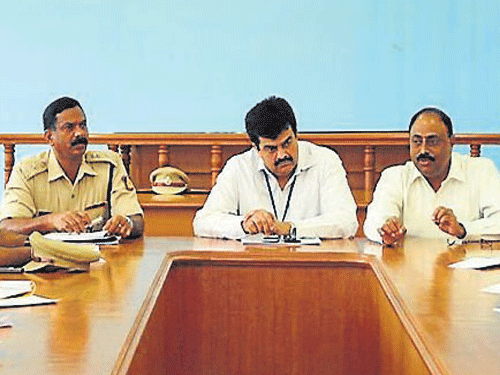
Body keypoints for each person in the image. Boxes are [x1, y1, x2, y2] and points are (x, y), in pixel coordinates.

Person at [193, 96, 358, 239]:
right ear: (256, 148)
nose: (282, 155)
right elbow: (203, 222)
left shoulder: (325, 161)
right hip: (255, 266)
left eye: (287, 143)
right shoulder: (238, 167)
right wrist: (243, 224)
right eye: (271, 149)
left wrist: (289, 228)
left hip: (311, 266)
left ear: (296, 134)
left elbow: (346, 221)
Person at [0, 96, 144, 240]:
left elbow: (137, 221)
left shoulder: (110, 166)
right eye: (69, 127)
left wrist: (127, 223)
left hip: (101, 258)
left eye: (83, 125)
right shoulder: (26, 171)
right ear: (49, 137)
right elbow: (6, 227)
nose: (80, 133)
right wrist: (49, 221)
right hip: (46, 258)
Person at [364, 107, 500, 245]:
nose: (423, 150)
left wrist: (462, 230)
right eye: (417, 141)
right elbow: (373, 224)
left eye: (432, 141)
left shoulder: (481, 171)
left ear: (451, 142)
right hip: (411, 265)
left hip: (466, 265)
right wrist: (387, 231)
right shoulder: (395, 177)